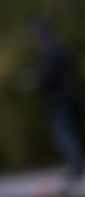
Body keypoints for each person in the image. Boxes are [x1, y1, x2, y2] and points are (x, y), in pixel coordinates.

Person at [34, 21, 83, 182]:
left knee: (64, 134)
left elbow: (48, 77)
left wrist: (35, 80)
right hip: (70, 97)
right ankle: (76, 165)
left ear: (41, 36)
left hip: (59, 101)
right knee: (68, 132)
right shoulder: (62, 49)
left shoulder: (50, 52)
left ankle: (76, 167)